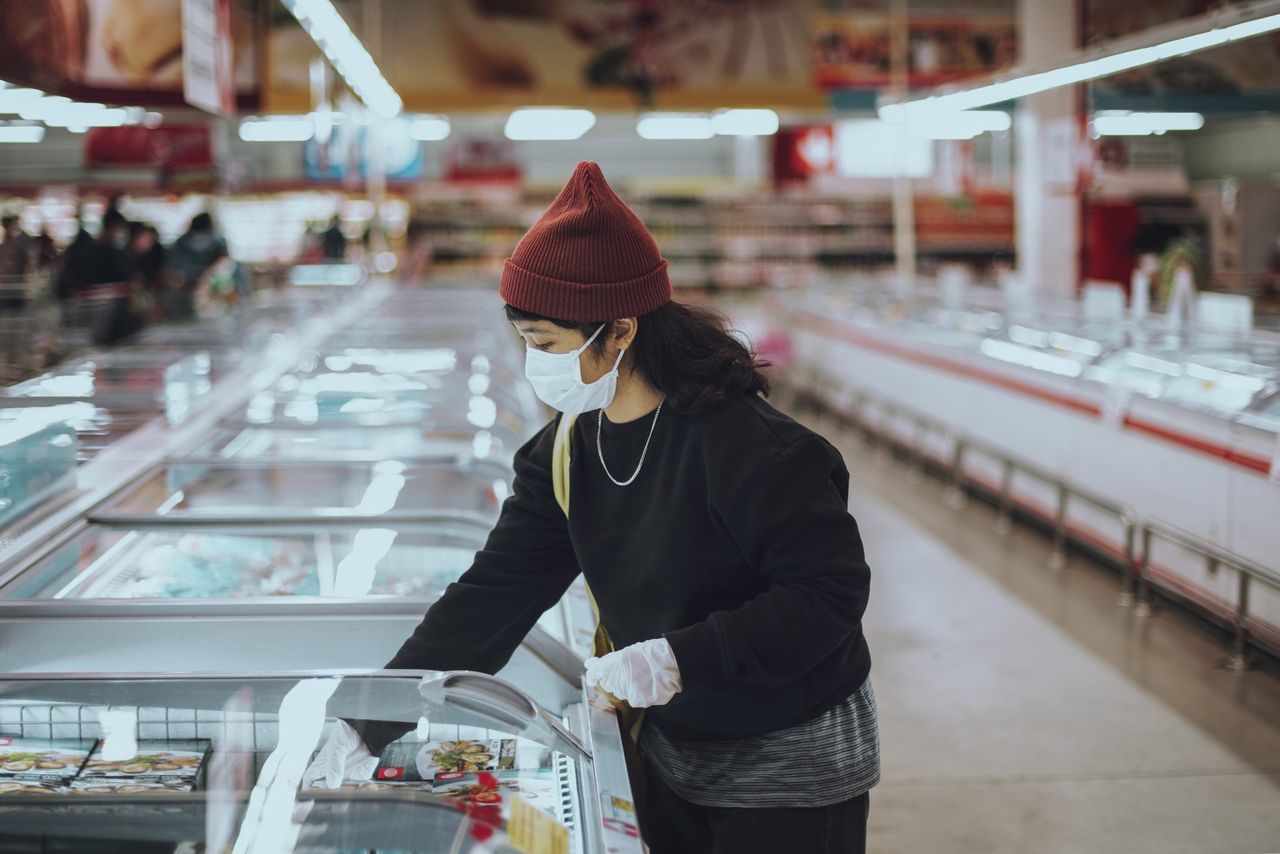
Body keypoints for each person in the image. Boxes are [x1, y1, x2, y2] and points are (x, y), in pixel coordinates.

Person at [305, 163, 879, 853]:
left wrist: (679, 658)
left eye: (544, 344)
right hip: (671, 745)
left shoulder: (755, 450)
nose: (532, 364)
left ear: (620, 332)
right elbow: (494, 595)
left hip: (789, 760)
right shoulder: (569, 452)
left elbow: (828, 596)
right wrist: (369, 715)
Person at [164, 212, 227, 320]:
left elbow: (224, 264)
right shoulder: (180, 244)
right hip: (185, 294)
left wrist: (208, 279)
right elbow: (172, 273)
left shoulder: (219, 243)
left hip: (212, 294)